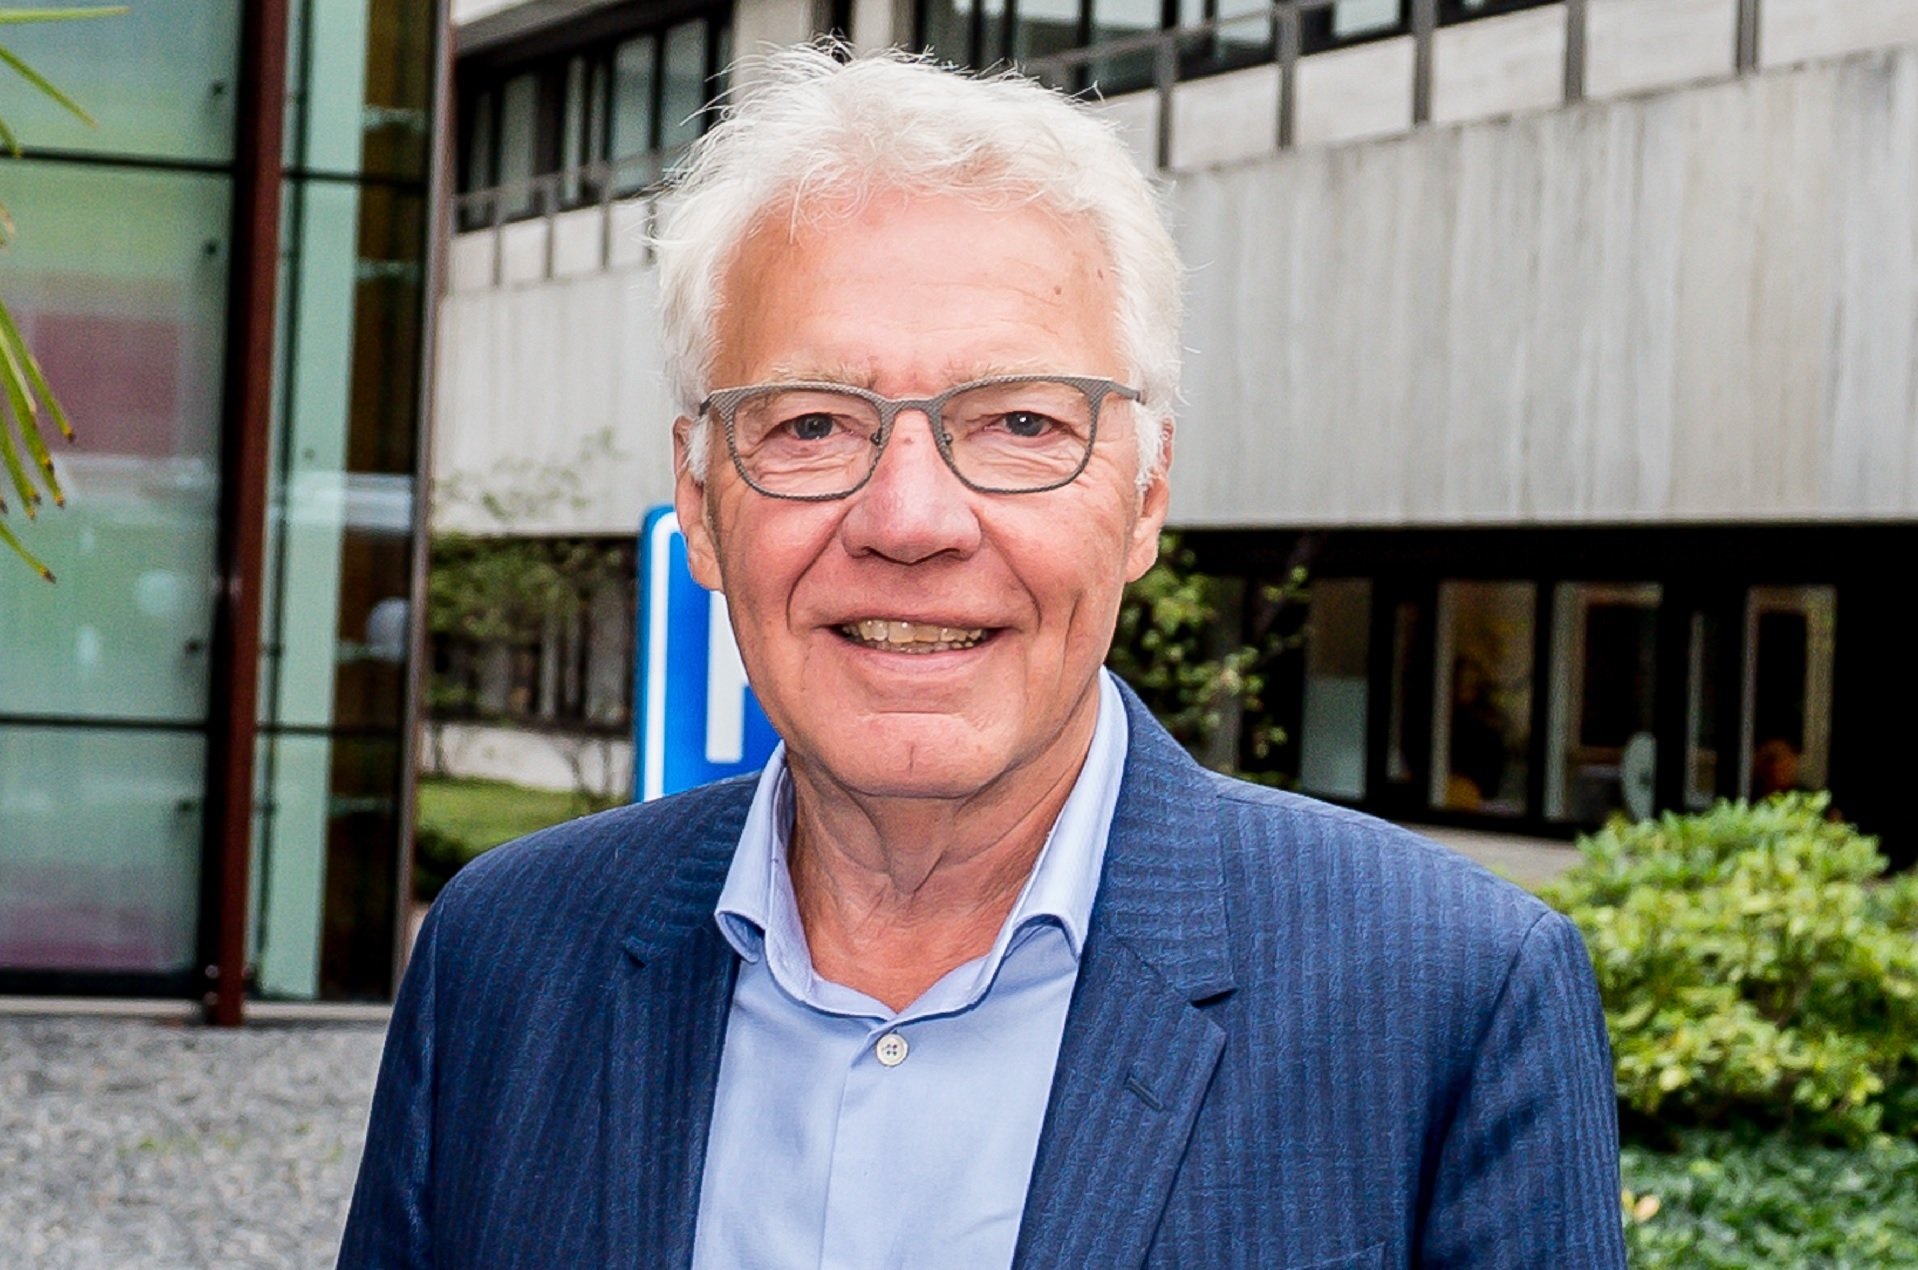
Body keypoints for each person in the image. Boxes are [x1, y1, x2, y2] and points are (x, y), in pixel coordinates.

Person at [341, 47, 1625, 1268]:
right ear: (700, 496)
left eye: (1018, 421)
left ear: (1144, 495)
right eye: (812, 424)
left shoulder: (1449, 996)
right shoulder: (503, 958)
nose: (909, 520)